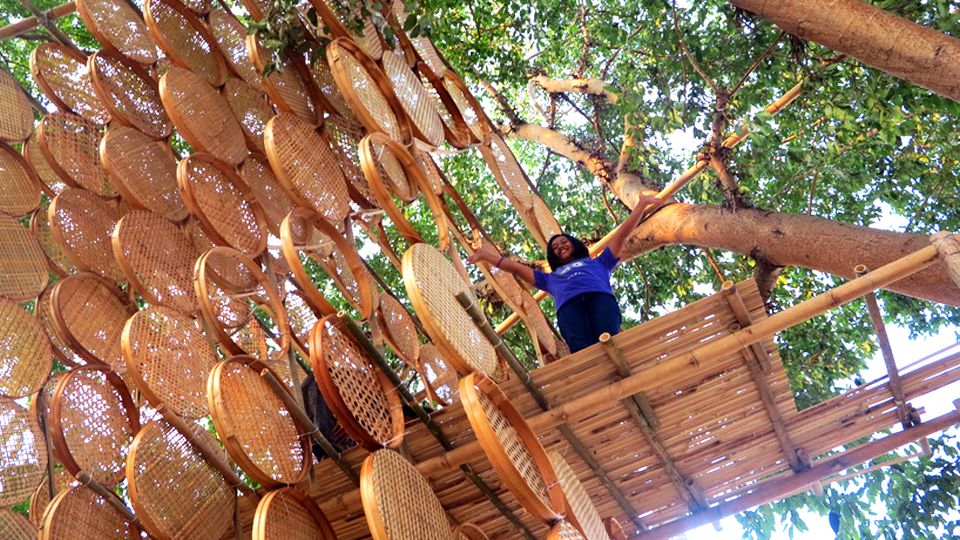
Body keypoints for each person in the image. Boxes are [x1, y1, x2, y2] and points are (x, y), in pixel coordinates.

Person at [467, 194, 663, 353]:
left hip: (600, 299)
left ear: (574, 244)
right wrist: (488, 257)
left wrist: (640, 206)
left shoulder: (600, 262)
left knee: (611, 336)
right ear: (552, 256)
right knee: (581, 348)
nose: (559, 246)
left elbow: (621, 235)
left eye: (563, 242)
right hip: (569, 308)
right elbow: (516, 268)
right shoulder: (549, 278)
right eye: (554, 247)